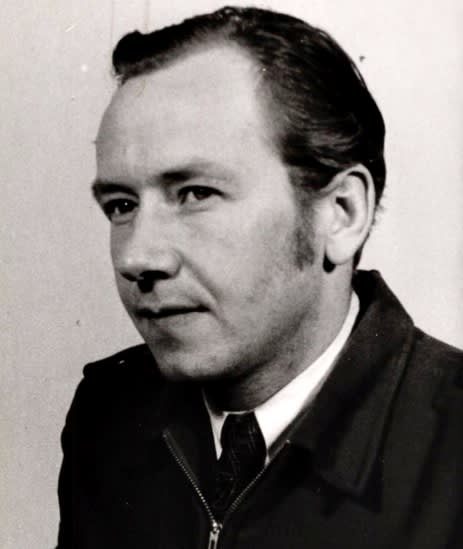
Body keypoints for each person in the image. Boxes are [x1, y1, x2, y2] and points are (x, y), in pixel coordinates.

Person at [56, 6, 463, 548]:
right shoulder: (107, 411)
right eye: (121, 205)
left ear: (341, 214)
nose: (136, 256)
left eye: (196, 194)